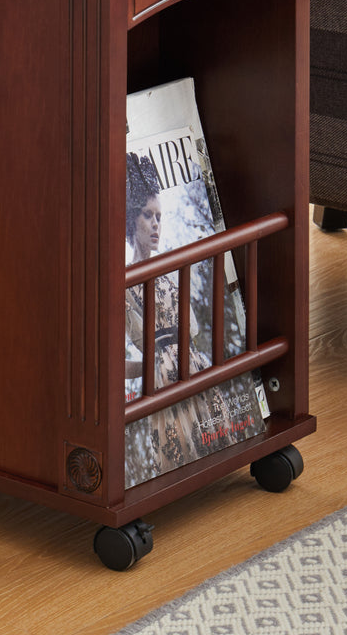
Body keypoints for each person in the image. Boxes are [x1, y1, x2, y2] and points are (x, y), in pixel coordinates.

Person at [124, 152, 248, 484]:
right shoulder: (121, 285)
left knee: (217, 441)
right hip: (162, 379)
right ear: (130, 220)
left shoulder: (170, 270)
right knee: (179, 456)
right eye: (147, 216)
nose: (155, 225)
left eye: (159, 217)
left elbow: (190, 328)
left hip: (195, 366)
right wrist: (151, 366)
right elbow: (117, 365)